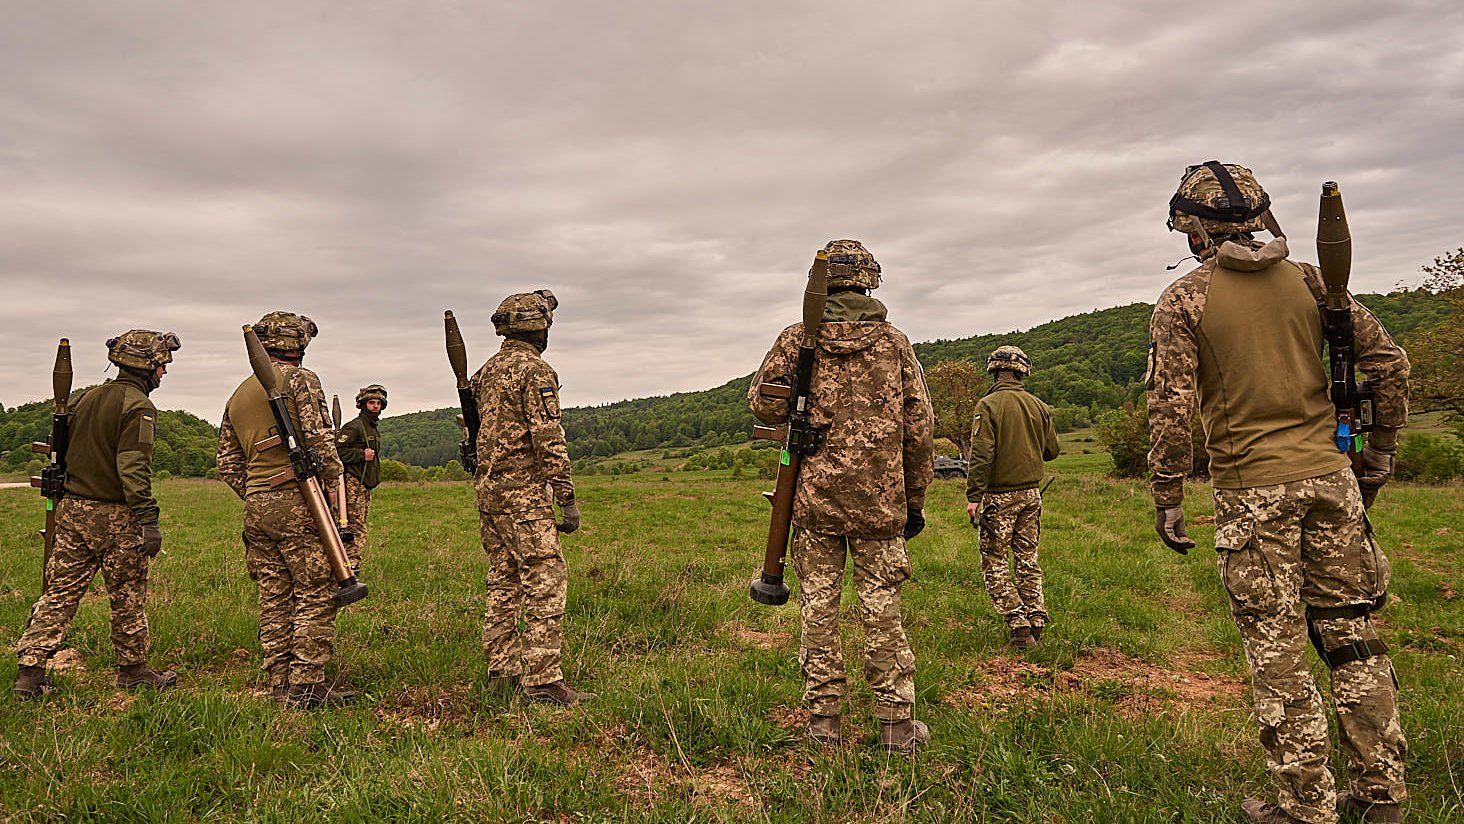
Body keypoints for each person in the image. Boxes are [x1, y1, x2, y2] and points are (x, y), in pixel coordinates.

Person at [1148, 162, 1409, 824]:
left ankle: (1303, 806)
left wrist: (1168, 493)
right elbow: (1389, 365)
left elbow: (1172, 409)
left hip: (1253, 490)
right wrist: (1376, 456)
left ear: (1192, 230)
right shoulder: (1314, 282)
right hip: (1332, 480)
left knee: (1279, 647)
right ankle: (1381, 793)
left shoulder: (1184, 302)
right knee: (1353, 635)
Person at [748, 239, 935, 753]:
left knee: (819, 609)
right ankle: (896, 726)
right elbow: (919, 429)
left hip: (815, 504)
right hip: (880, 506)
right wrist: (914, 498)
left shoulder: (797, 338)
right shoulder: (895, 343)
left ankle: (823, 723)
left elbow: (761, 407)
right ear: (869, 281)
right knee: (882, 610)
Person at [14, 331, 181, 698]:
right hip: (116, 517)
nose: (164, 373)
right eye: (161, 365)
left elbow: (62, 445)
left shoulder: (86, 397)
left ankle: (30, 671)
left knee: (59, 593)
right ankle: (133, 670)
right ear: (146, 366)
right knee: (127, 595)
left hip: (73, 512)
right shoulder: (138, 407)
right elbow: (133, 468)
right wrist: (148, 519)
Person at [217, 311, 353, 708]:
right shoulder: (302, 380)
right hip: (299, 499)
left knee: (274, 593)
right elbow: (320, 442)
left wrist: (258, 491)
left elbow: (226, 463)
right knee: (315, 589)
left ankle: (279, 681)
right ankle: (307, 684)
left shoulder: (239, 393)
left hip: (257, 506)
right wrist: (332, 488)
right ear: (300, 344)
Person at [470, 289, 590, 706]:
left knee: (503, 579)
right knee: (545, 577)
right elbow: (548, 439)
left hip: (489, 493)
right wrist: (566, 498)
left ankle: (501, 671)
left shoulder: (486, 372)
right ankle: (542, 679)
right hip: (524, 496)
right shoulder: (535, 371)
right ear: (540, 327)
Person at [964, 345, 1060, 649]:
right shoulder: (1039, 406)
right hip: (1032, 494)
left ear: (994, 370)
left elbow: (981, 455)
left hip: (999, 496)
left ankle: (1019, 628)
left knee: (994, 561)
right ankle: (1037, 620)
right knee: (1028, 559)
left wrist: (973, 496)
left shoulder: (988, 405)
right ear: (1023, 371)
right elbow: (1052, 451)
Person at [335, 384, 385, 570]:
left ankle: (348, 564)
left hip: (365, 485)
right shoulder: (354, 427)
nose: (375, 406)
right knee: (355, 527)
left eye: (378, 403)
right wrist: (360, 455)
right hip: (353, 482)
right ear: (363, 404)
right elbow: (337, 451)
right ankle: (350, 566)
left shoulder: (372, 428)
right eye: (371, 402)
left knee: (359, 523)